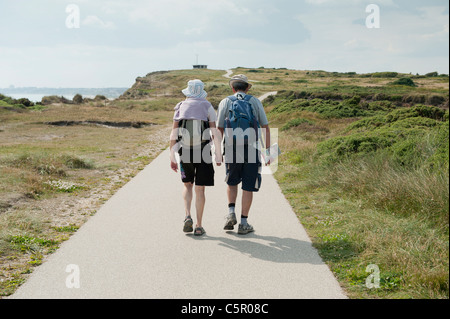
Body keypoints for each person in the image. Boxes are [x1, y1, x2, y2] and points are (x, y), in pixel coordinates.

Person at [216, 74, 271, 235]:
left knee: (232, 181)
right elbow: (265, 127)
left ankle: (231, 212)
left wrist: (218, 152)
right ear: (247, 88)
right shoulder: (254, 101)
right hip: (252, 149)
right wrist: (268, 152)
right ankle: (244, 223)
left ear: (232, 88)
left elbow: (219, 129)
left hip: (232, 147)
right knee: (248, 186)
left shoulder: (225, 102)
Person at [170, 79, 222, 236]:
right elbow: (214, 133)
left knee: (187, 185)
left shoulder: (180, 106)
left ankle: (187, 216)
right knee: (200, 189)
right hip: (204, 151)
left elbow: (174, 133)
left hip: (184, 151)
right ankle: (199, 225)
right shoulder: (207, 106)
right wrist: (218, 154)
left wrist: (171, 155)